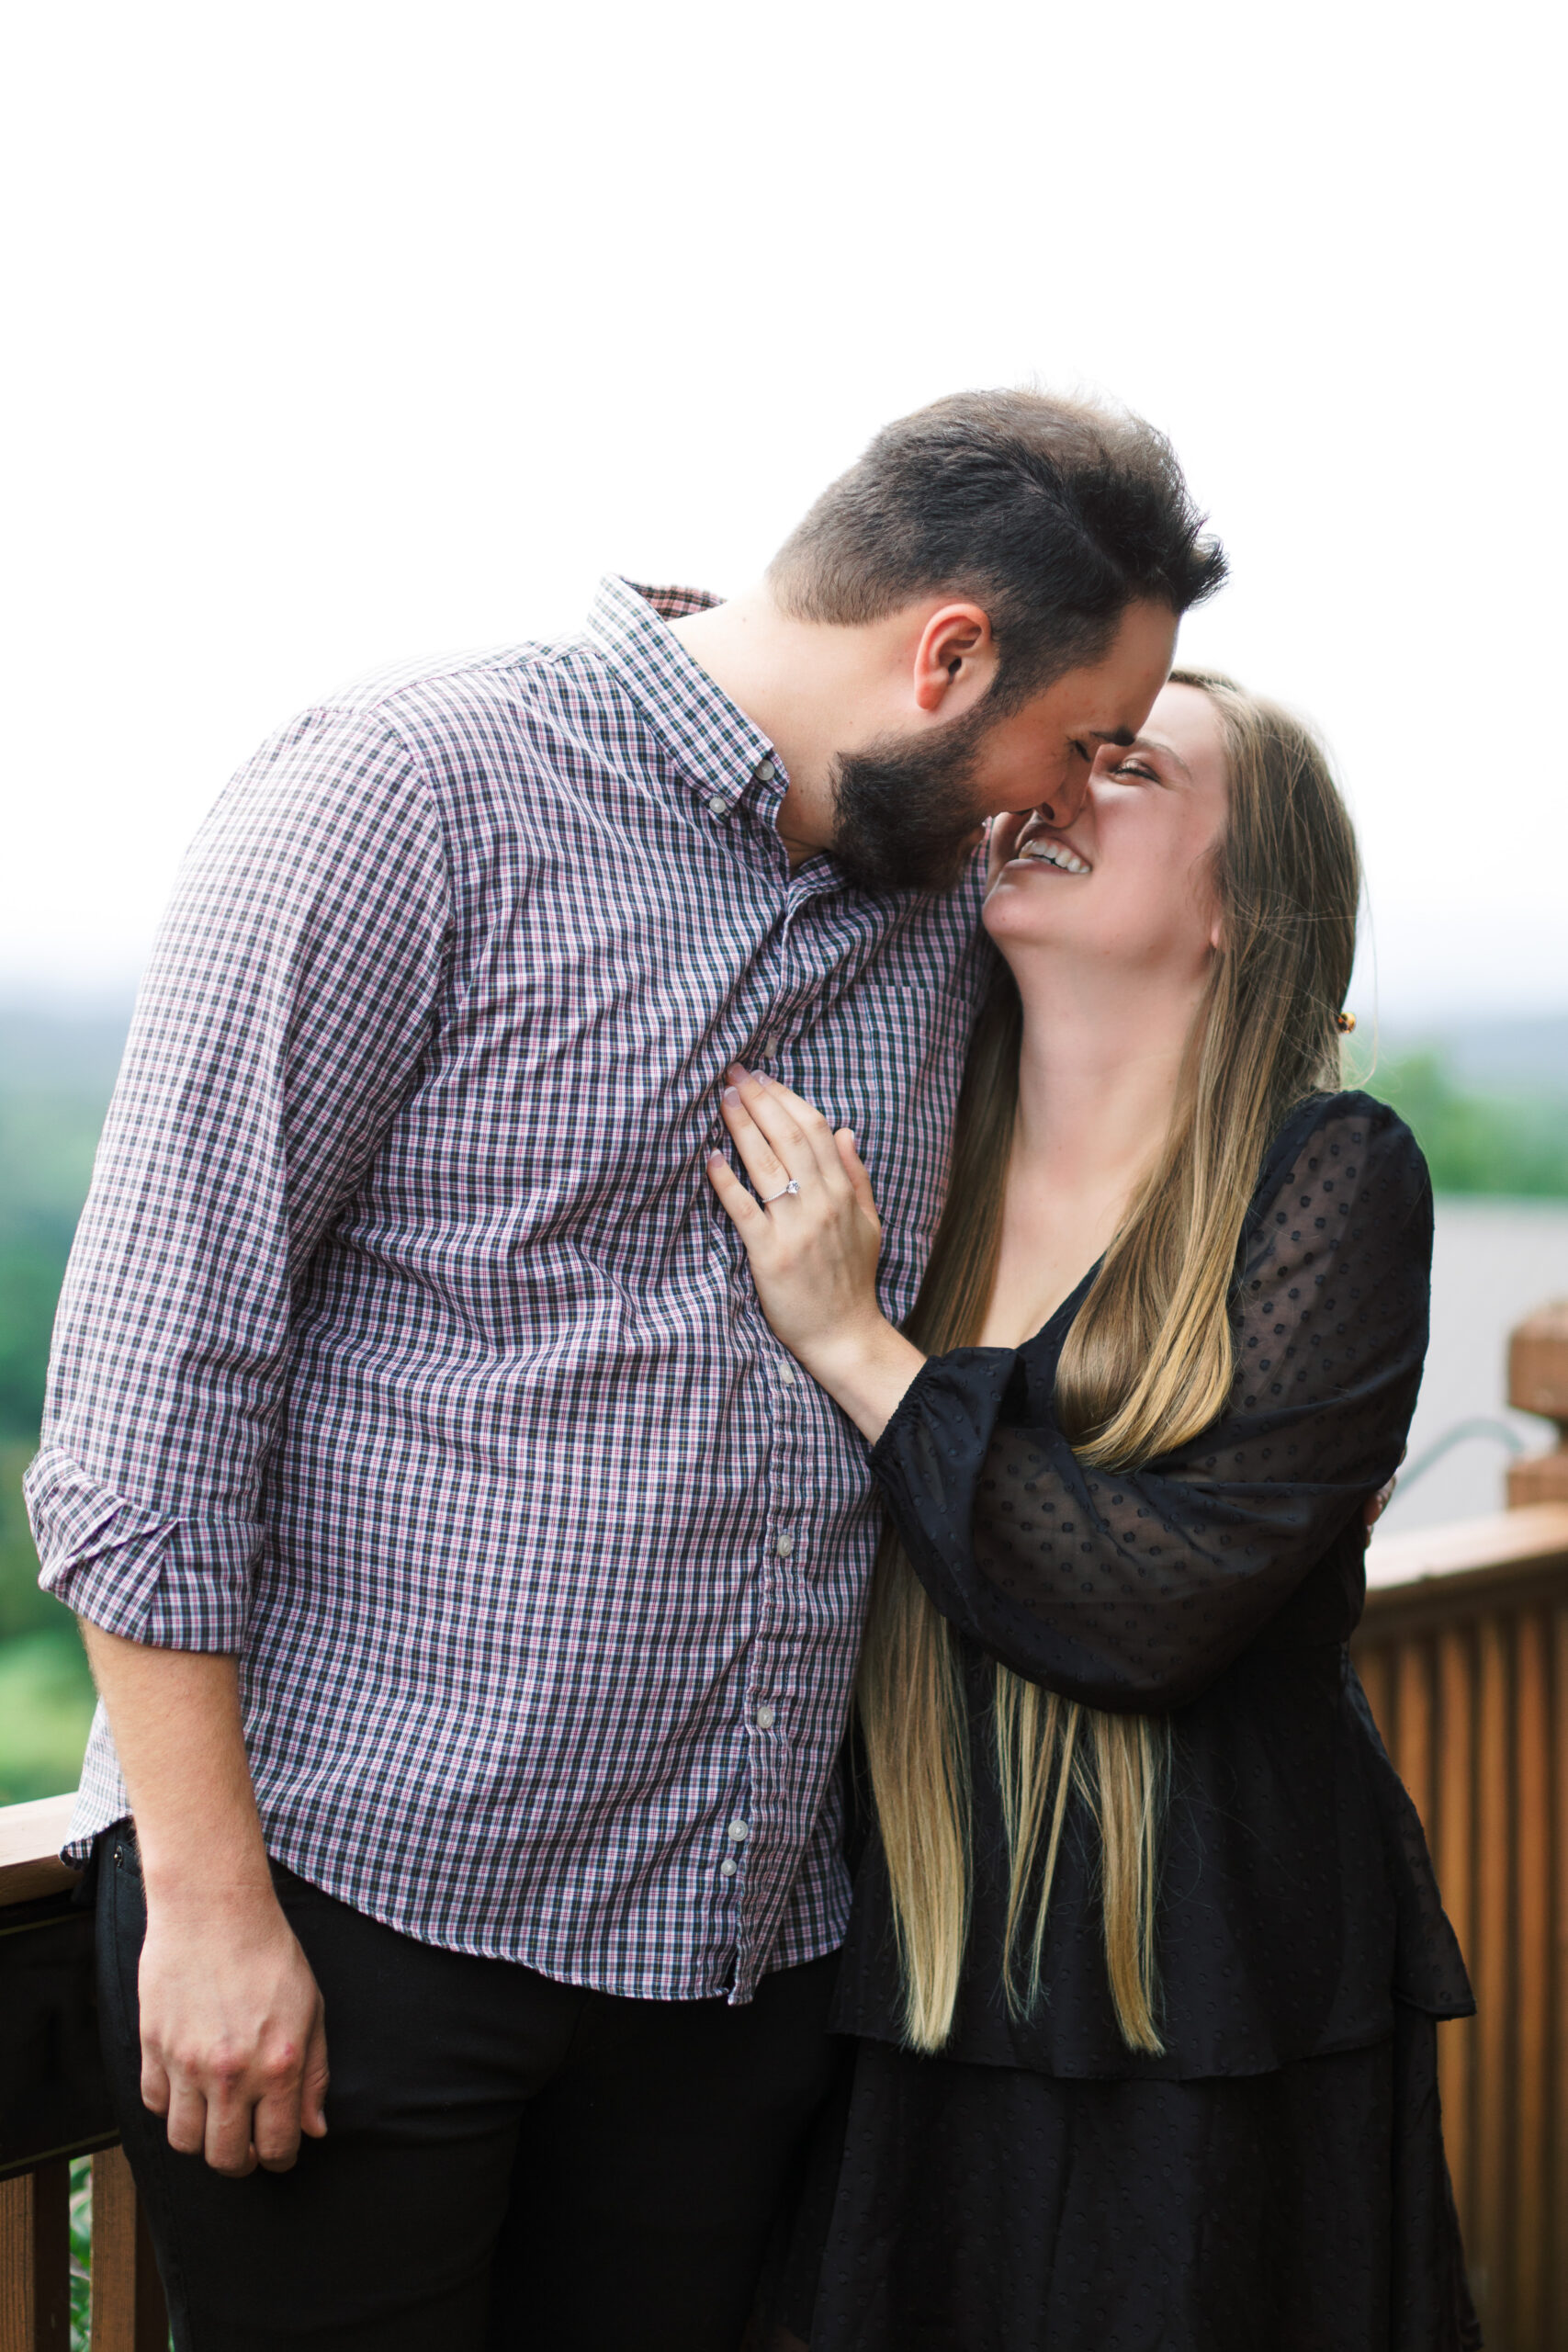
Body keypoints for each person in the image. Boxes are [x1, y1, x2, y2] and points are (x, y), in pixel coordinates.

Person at [26, 390, 1224, 2348]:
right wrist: (213, 1905)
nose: (1072, 806)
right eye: (1078, 744)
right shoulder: (404, 793)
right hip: (361, 1914)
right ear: (944, 650)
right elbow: (154, 1386)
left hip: (733, 1958)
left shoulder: (932, 906)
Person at [706, 670, 1481, 2351]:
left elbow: (1160, 1604)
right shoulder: (907, 1158)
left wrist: (858, 1350)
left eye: (1125, 768)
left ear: (1236, 906)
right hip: (901, 1958)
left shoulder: (1329, 1175)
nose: (1050, 795)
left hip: (1201, 1974)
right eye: (1058, 756)